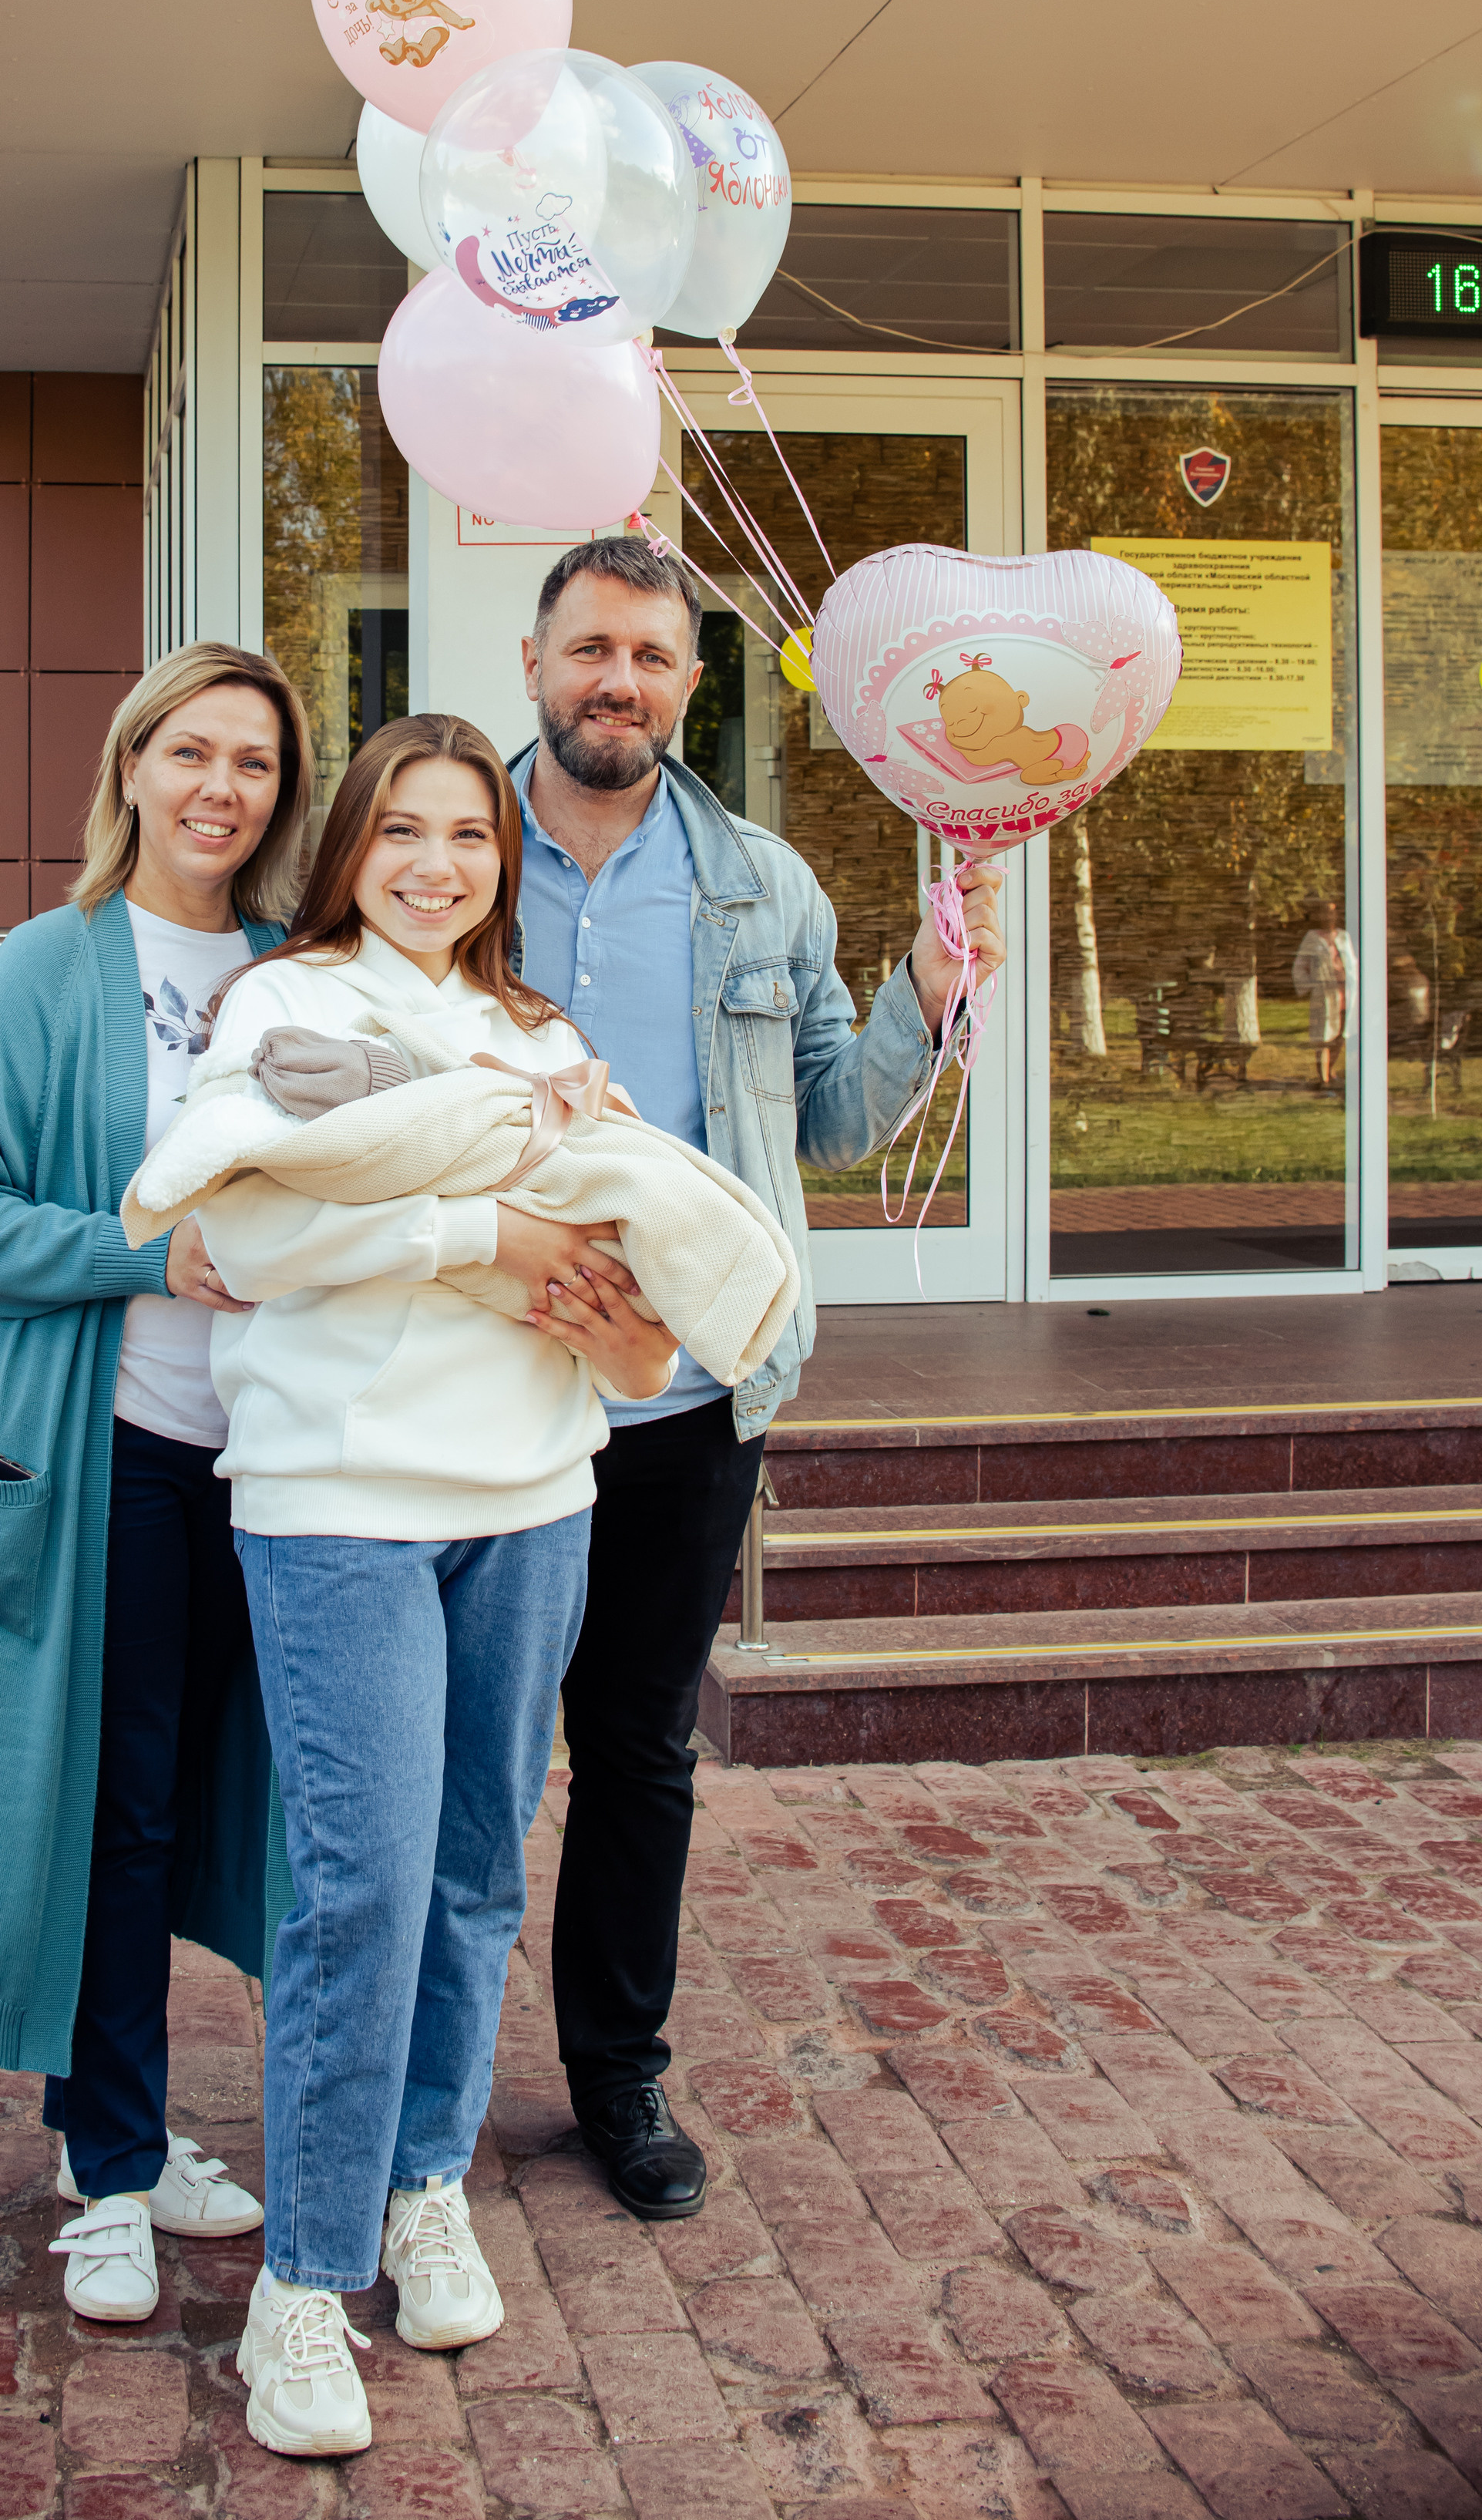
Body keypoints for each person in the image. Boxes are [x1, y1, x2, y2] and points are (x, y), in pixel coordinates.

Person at [186, 713, 679, 2458]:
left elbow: (611, 1238)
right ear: (350, 843)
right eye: (401, 829)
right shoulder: (284, 1008)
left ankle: (419, 2183)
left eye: (465, 834)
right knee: (360, 1892)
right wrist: (476, 1230)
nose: (434, 863)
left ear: (497, 856)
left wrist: (586, 1256)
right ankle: (301, 2286)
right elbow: (242, 1237)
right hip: (338, 1506)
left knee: (474, 1871)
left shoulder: (535, 1030)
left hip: (537, 1497)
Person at [510, 536, 1006, 2220]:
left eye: (648, 655)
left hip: (679, 1400)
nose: (616, 680)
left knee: (636, 1748)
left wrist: (925, 997)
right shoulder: (436, 846)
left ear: (687, 684)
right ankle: (412, 2084)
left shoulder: (761, 882)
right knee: (458, 1753)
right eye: (589, 648)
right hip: (476, 1386)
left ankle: (614, 2074)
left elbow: (831, 1116)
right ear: (534, 660)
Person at [0, 640, 311, 2323]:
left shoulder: (302, 969)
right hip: (110, 1457)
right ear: (132, 764)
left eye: (257, 764)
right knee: (116, 1811)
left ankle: (109, 2124)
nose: (222, 787)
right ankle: (119, 2166)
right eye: (192, 752)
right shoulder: (44, 967)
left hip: (280, 1465)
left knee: (223, 1799)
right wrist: (139, 1250)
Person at [1293, 898, 1357, 1093]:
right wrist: (1311, 985)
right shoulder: (1312, 938)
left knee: (1340, 1036)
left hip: (1345, 993)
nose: (1329, 916)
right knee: (1324, 1037)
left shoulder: (1343, 937)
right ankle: (1323, 1081)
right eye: (1325, 912)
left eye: (1332, 912)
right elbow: (1300, 966)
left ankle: (1330, 1071)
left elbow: (1353, 964)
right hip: (1325, 994)